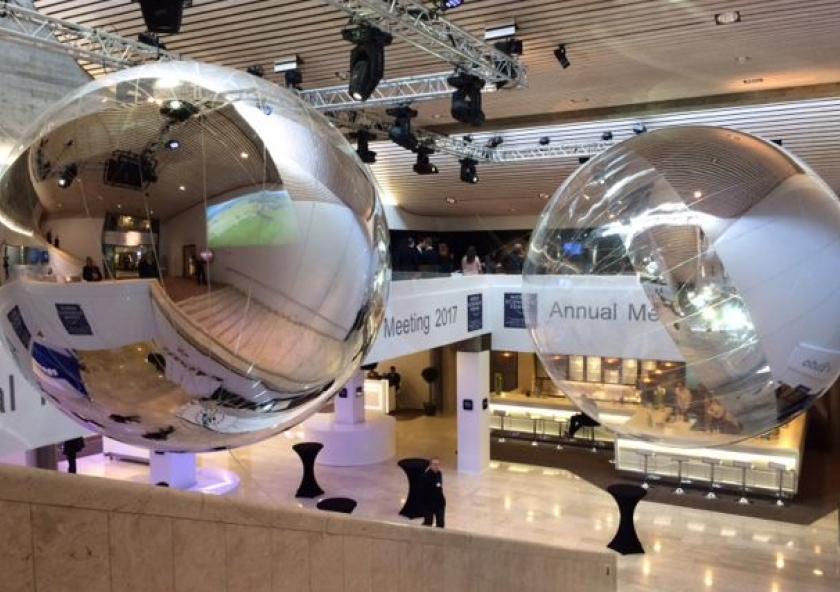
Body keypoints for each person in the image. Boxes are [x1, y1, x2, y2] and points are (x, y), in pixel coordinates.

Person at [421, 458, 445, 528]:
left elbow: (439, 486)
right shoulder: (425, 476)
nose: (437, 466)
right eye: (435, 464)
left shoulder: (439, 473)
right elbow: (423, 491)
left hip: (439, 503)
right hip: (429, 503)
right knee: (428, 522)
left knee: (440, 523)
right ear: (430, 465)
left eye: (438, 464)